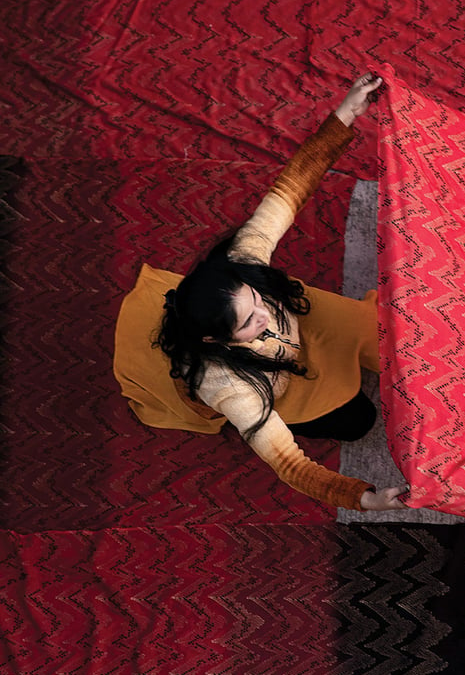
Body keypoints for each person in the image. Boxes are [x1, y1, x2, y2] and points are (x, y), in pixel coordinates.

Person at [114, 73, 407, 512]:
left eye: (257, 300)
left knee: (400, 333)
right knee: (358, 421)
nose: (264, 316)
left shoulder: (242, 264)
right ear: (217, 341)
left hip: (307, 319)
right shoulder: (227, 387)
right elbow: (290, 464)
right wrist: (364, 498)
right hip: (279, 383)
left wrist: (345, 114)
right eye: (250, 321)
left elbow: (289, 189)